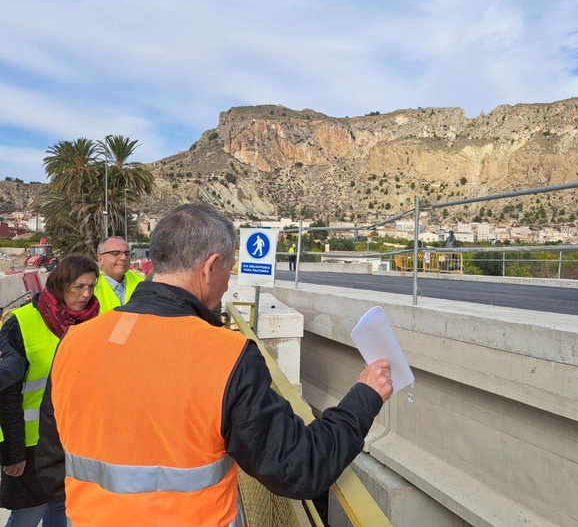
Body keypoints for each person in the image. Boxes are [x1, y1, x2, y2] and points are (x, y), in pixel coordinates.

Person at [37, 203, 393, 526]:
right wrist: (365, 396)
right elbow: (299, 467)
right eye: (228, 270)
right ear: (210, 267)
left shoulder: (75, 342)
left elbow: (52, 468)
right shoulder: (226, 355)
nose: (226, 286)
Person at [0, 255, 100, 527]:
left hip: (73, 442)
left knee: (63, 511)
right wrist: (12, 451)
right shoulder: (21, 323)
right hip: (31, 443)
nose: (86, 294)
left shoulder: (93, 324)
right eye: (78, 286)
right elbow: (8, 394)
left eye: (91, 287)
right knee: (29, 514)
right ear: (60, 283)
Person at [94, 236, 144, 313]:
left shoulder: (142, 282)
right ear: (101, 259)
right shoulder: (91, 285)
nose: (123, 258)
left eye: (127, 253)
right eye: (115, 253)